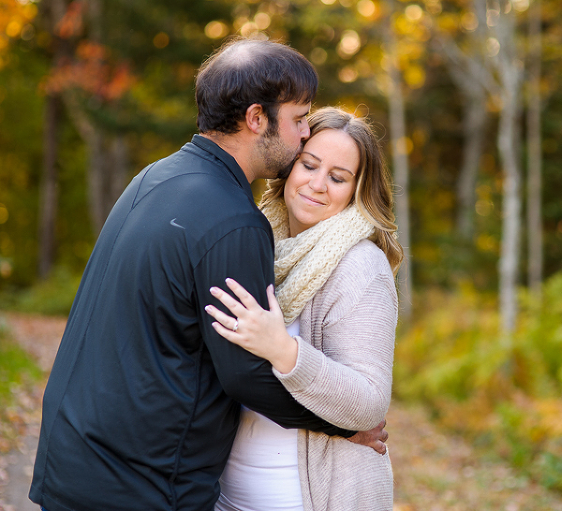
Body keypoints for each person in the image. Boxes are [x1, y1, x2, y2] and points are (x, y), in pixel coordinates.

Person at [29, 39, 384, 511]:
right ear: (257, 119)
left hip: (73, 462)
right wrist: (346, 426)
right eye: (298, 120)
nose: (303, 134)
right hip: (141, 487)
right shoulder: (233, 221)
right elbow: (245, 375)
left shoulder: (154, 179)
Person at [204, 106, 403, 511]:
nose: (317, 185)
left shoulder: (360, 265)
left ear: (357, 190)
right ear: (289, 167)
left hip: (311, 500)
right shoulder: (255, 241)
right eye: (308, 165)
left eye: (338, 177)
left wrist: (284, 351)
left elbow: (368, 402)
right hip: (226, 497)